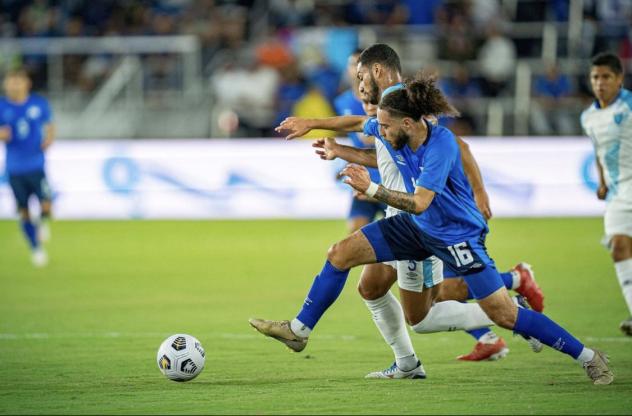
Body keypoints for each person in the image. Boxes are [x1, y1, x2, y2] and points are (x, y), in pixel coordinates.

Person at [251, 73, 613, 385]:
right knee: (340, 254)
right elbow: (356, 123)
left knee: (505, 315)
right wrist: (310, 123)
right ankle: (299, 332)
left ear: (407, 124)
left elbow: (421, 201)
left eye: (386, 126)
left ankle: (588, 357)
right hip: (415, 227)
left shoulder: (440, 145)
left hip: (457, 236)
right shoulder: (392, 124)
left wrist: (372, 189)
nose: (379, 131)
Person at [261, 44, 545, 364]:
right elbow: (379, 153)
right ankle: (404, 361)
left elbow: (455, 144)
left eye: (360, 74)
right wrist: (338, 148)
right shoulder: (383, 104)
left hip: (419, 219)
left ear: (377, 71)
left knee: (429, 310)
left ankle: (511, 308)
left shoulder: (405, 103)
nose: (358, 83)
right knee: (369, 286)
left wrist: (479, 191)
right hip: (398, 214)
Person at [580, 52, 632, 336]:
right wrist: (601, 182)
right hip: (618, 193)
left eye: (606, 77)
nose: (600, 83)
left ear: (619, 79)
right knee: (619, 247)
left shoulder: (630, 105)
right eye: (595, 77)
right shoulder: (588, 117)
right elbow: (598, 151)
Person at [0, 68, 54, 267]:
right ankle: (36, 249)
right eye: (10, 81)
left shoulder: (38, 104)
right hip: (14, 169)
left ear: (27, 83)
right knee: (23, 211)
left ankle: (41, 222)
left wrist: (49, 138)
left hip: (36, 165)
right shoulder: (2, 106)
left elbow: (50, 125)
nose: (14, 85)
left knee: (47, 204)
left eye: (18, 80)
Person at [333, 50, 386, 234]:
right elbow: (356, 140)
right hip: (362, 178)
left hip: (388, 180)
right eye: (351, 64)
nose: (355, 70)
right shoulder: (342, 101)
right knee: (355, 236)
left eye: (359, 64)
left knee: (398, 246)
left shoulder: (387, 98)